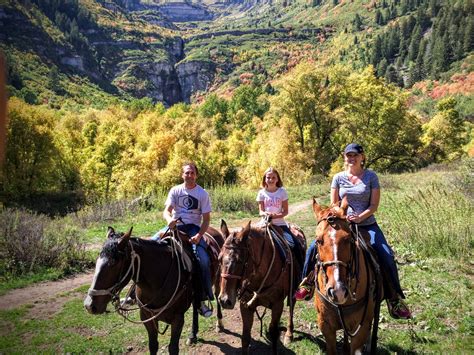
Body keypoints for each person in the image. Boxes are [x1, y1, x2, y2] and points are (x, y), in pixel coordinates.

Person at [295, 143, 411, 320]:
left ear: (362, 157)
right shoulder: (338, 178)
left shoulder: (371, 177)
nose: (352, 158)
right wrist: (342, 213)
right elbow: (334, 204)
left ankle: (394, 298)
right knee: (314, 247)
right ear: (344, 158)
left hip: (367, 225)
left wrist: (359, 217)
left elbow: (373, 205)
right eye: (348, 155)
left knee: (386, 255)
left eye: (355, 155)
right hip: (341, 224)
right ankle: (307, 283)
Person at [151, 162, 213, 317]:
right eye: (187, 173)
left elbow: (206, 220)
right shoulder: (175, 190)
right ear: (182, 175)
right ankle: (133, 294)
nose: (189, 175)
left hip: (193, 227)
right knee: (150, 246)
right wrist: (168, 220)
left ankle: (203, 298)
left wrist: (199, 236)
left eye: (192, 173)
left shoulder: (202, 194)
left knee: (204, 260)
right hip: (175, 225)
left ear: (196, 175)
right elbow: (167, 211)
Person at [256, 167, 303, 280]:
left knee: (294, 244)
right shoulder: (261, 193)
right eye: (268, 177)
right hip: (264, 223)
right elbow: (260, 211)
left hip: (280, 224)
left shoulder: (282, 192)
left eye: (273, 177)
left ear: (277, 179)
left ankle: (301, 273)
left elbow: (285, 211)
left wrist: (275, 216)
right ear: (264, 179)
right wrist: (265, 214)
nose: (271, 180)